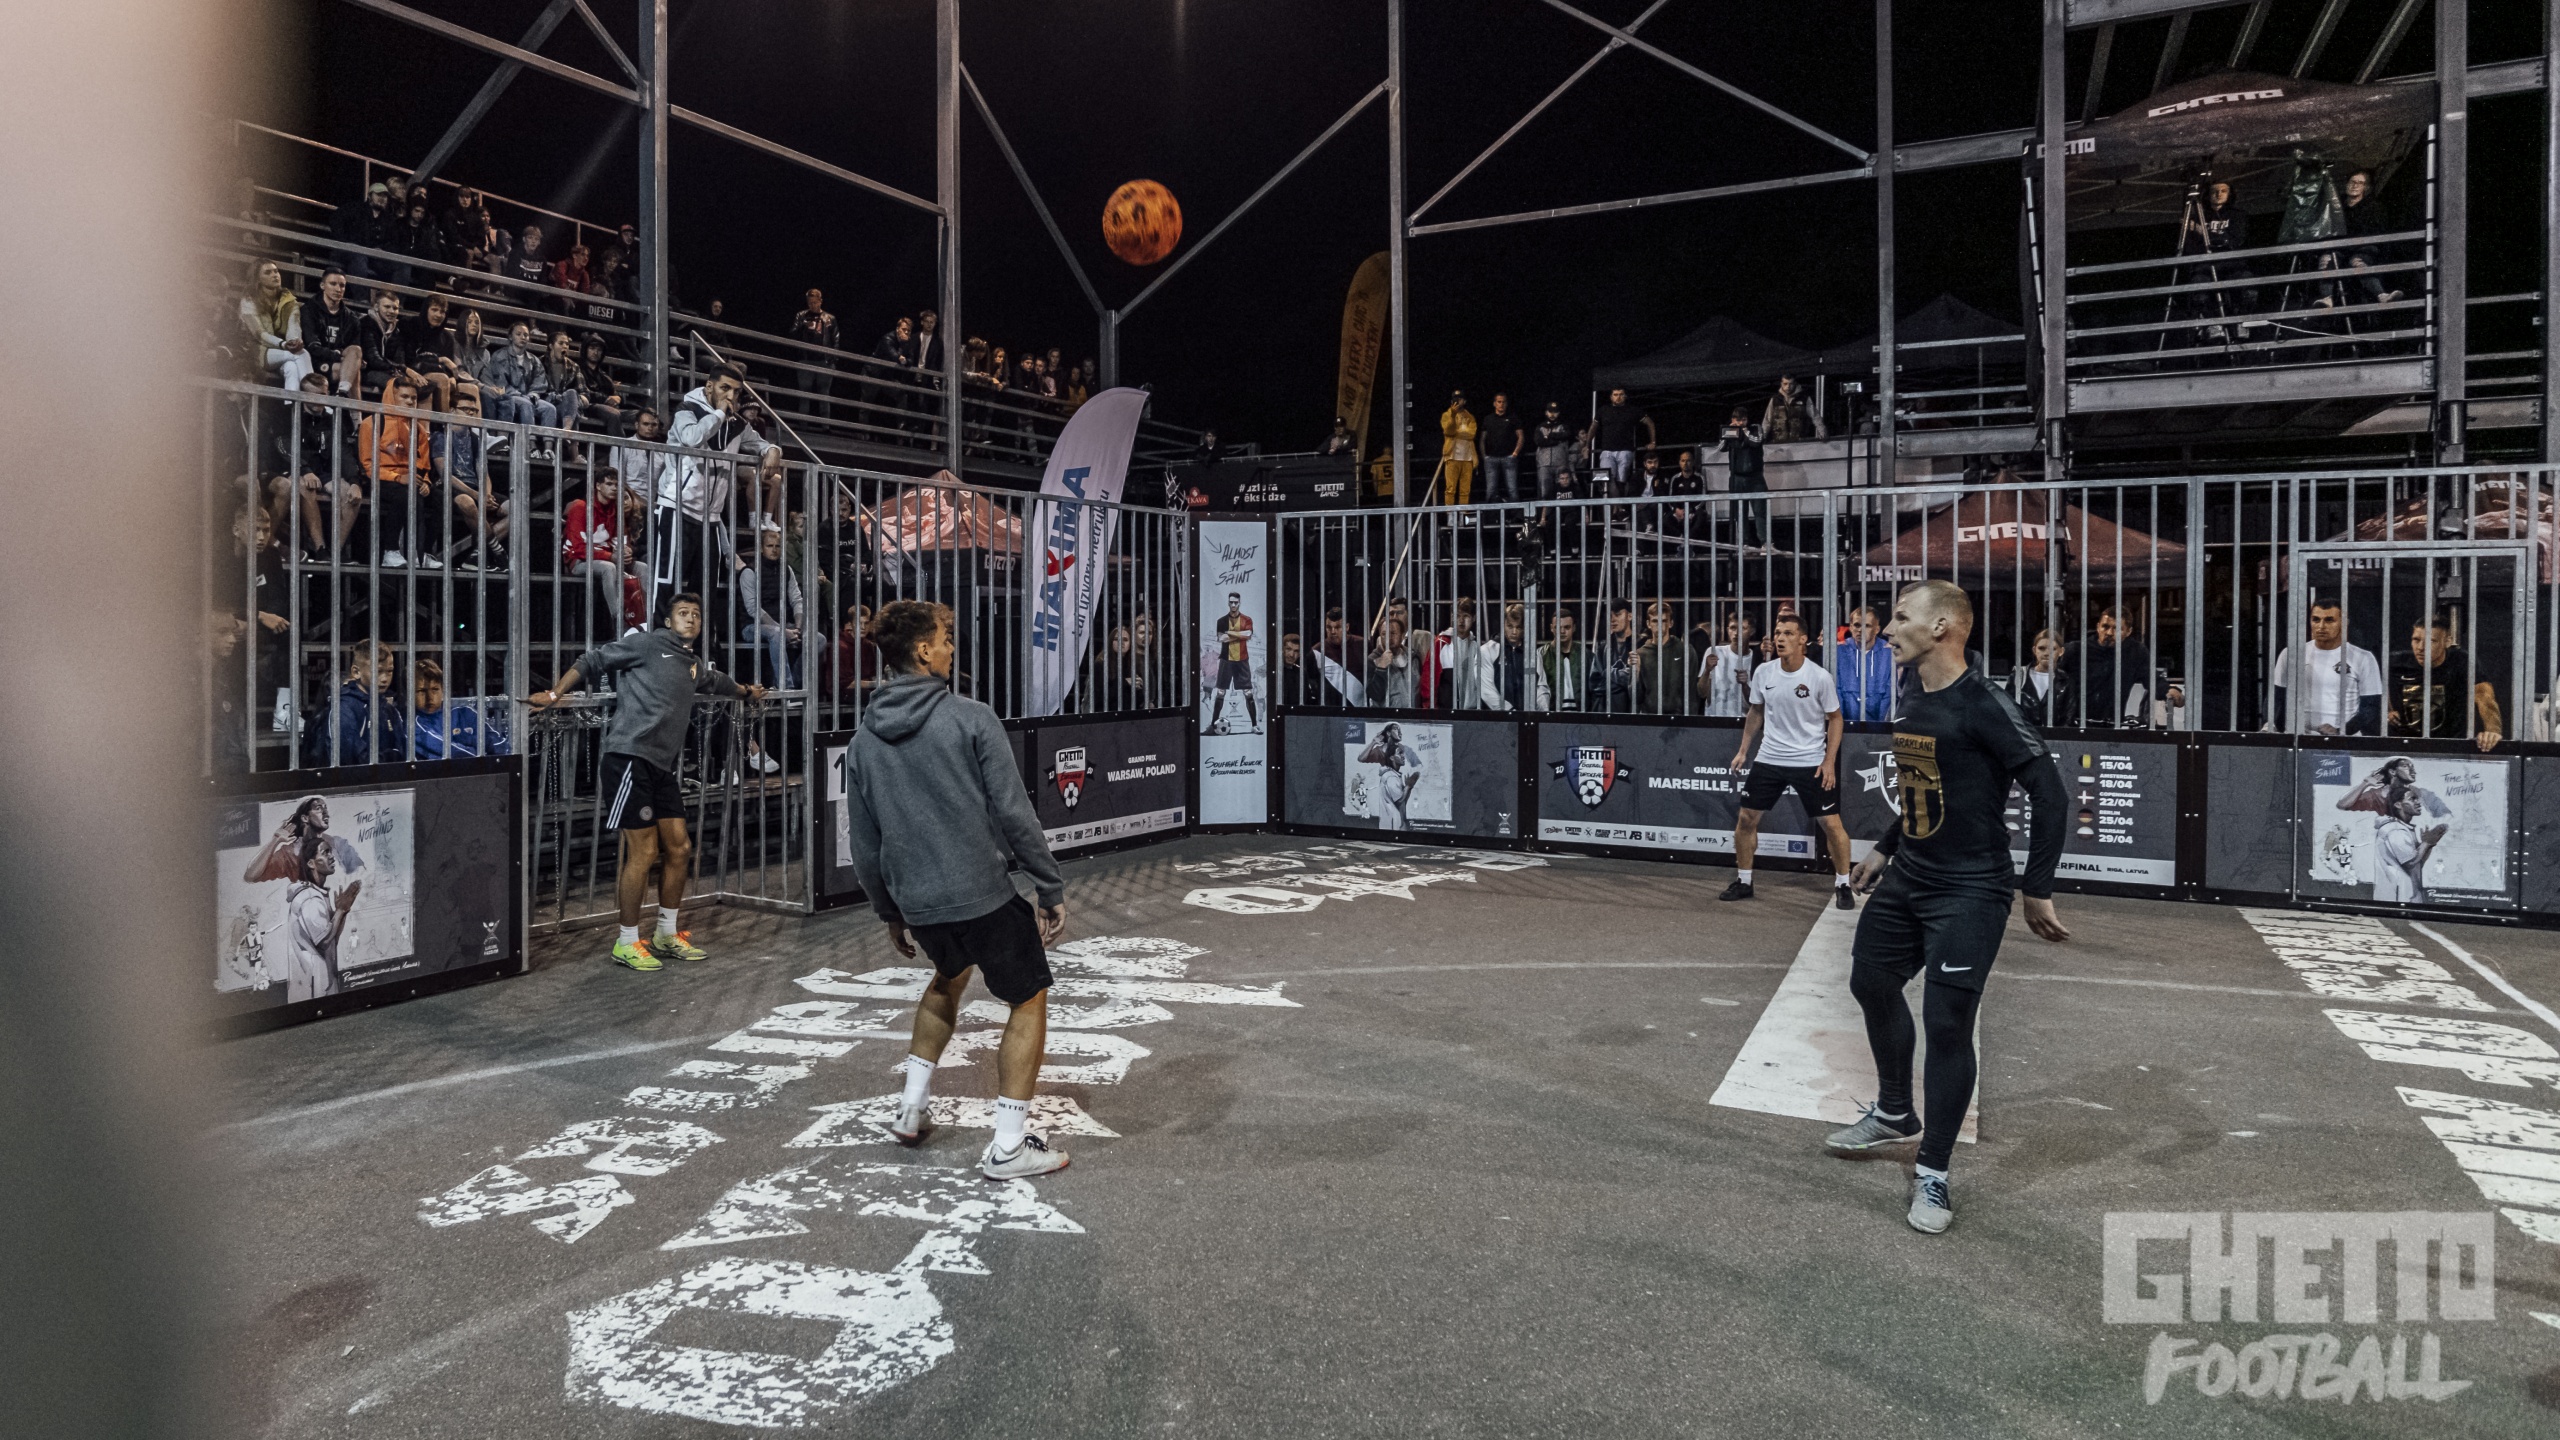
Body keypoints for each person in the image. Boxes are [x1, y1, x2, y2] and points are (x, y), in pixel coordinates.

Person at [1831, 581, 2070, 1236]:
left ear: (1941, 626)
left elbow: (2051, 795)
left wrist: (2036, 887)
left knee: (1946, 1023)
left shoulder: (1985, 702)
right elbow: (1921, 785)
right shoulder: (1913, 690)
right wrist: (1885, 848)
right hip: (1910, 874)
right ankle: (1894, 1112)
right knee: (1870, 981)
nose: (1886, 629)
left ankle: (1933, 1169)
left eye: (1899, 617)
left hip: (1970, 889)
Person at [844, 600, 1073, 1180]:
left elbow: (864, 844)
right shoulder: (970, 717)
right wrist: (1048, 885)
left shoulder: (863, 742)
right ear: (923, 651)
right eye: (944, 638)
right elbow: (1014, 813)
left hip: (920, 903)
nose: (950, 647)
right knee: (1028, 998)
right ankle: (1008, 1147)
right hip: (981, 894)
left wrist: (889, 911)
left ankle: (911, 1108)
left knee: (948, 977)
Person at [527, 592, 765, 970]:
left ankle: (666, 935)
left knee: (680, 848)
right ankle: (626, 942)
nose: (691, 619)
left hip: (660, 767)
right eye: (683, 613)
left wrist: (748, 692)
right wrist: (555, 694)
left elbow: (717, 682)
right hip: (628, 758)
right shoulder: (647, 644)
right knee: (644, 851)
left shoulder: (691, 663)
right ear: (668, 621)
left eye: (696, 614)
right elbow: (592, 660)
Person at [1723, 614, 1856, 907]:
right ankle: (1744, 881)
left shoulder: (1819, 677)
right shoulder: (1764, 672)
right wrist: (1743, 750)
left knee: (1831, 823)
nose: (1780, 638)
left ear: (1802, 640)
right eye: (1778, 633)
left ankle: (1843, 884)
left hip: (1809, 760)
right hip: (1770, 757)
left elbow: (1835, 719)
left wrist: (1829, 761)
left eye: (1788, 633)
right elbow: (1756, 711)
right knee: (1746, 819)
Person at [656, 362, 785, 623]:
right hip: (677, 507)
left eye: (736, 392)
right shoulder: (687, 410)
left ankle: (704, 645)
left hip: (711, 518)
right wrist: (717, 414)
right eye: (725, 388)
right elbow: (691, 438)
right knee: (667, 582)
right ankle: (660, 640)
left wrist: (773, 450)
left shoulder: (737, 424)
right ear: (709, 387)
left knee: (706, 589)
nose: (731, 396)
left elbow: (759, 443)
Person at [356, 374, 437, 569]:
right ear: (392, 396)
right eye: (404, 397)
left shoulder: (418, 429)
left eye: (414, 398)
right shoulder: (372, 423)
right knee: (404, 495)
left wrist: (426, 482)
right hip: (381, 478)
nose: (410, 402)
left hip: (411, 480)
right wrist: (398, 477)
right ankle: (390, 551)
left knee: (442, 500)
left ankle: (422, 553)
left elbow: (424, 463)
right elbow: (368, 465)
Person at [2272, 597, 2383, 736]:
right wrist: (2279, 728)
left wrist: (2340, 731)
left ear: (2344, 622)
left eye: (2329, 620)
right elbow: (2277, 698)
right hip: (2299, 739)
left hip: (2344, 741)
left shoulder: (2363, 658)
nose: (2321, 626)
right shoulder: (2290, 654)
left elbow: (2371, 707)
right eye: (2316, 620)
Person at [2389, 614, 2502, 750]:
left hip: (2451, 747)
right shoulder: (2396, 662)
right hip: (2405, 747)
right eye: (2416, 639)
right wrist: (2387, 711)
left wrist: (2493, 731)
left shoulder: (2461, 661)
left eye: (2431, 641)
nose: (2420, 647)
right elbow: (2378, 690)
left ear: (2447, 642)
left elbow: (2484, 696)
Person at [282, 828, 360, 1004]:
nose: (331, 857)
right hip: (314, 990)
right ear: (311, 863)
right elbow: (324, 941)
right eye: (325, 853)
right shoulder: (310, 898)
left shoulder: (317, 894)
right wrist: (340, 911)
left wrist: (342, 911)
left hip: (320, 984)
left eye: (330, 852)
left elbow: (332, 939)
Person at [306, 639, 406, 767]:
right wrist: (391, 757)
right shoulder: (343, 709)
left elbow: (404, 753)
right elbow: (349, 762)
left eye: (390, 671)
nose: (385, 678)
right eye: (378, 671)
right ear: (356, 672)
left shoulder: (388, 708)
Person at [563, 468, 638, 637]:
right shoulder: (580, 507)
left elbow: (621, 540)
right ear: (598, 486)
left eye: (617, 485)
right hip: (578, 561)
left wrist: (626, 552)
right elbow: (578, 548)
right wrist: (611, 556)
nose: (614, 488)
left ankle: (644, 621)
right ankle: (619, 624)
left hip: (609, 559)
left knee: (643, 568)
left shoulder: (616, 510)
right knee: (608, 568)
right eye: (609, 484)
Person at [734, 521, 806, 692]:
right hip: (751, 626)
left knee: (818, 639)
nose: (774, 549)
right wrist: (783, 630)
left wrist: (797, 628)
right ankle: (786, 689)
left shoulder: (786, 570)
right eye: (770, 546)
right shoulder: (749, 572)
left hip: (782, 626)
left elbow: (797, 600)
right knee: (776, 634)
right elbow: (753, 609)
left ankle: (795, 682)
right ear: (761, 548)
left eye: (778, 546)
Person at [411, 658, 511, 759]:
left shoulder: (465, 713)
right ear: (409, 694)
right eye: (421, 691)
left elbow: (502, 746)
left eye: (435, 689)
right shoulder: (413, 724)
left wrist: (470, 741)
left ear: (443, 690)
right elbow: (455, 755)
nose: (430, 697)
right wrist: (481, 749)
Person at [238, 260, 311, 391]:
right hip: (257, 352)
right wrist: (283, 344)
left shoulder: (288, 299)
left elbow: (293, 326)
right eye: (268, 272)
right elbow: (259, 334)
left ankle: (293, 403)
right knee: (301, 354)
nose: (275, 275)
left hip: (281, 350)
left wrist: (294, 341)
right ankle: (314, 395)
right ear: (258, 279)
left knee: (291, 368)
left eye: (276, 271)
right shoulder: (248, 301)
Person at [472, 319, 552, 430]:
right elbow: (501, 383)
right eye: (518, 334)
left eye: (526, 335)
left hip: (529, 397)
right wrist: (521, 396)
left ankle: (549, 441)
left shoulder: (534, 360)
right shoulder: (500, 356)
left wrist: (533, 395)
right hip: (509, 395)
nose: (523, 337)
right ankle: (529, 440)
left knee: (549, 409)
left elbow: (539, 381)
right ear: (510, 337)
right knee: (525, 404)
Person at [302, 269, 367, 397]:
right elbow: (312, 347)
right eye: (333, 284)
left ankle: (342, 392)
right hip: (315, 363)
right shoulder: (309, 310)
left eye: (342, 285)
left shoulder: (351, 318)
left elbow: (354, 351)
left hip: (339, 365)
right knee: (354, 370)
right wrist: (339, 356)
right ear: (322, 285)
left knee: (356, 351)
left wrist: (355, 360)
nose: (338, 289)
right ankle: (353, 408)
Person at [1712, 407, 1770, 551]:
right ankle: (1745, 544)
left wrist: (1743, 431)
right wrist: (1727, 433)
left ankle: (1765, 543)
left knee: (1760, 511)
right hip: (1737, 478)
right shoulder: (1730, 431)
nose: (1741, 422)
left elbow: (1757, 441)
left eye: (1744, 419)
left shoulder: (1755, 428)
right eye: (1738, 420)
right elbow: (1720, 448)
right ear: (1733, 420)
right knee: (1740, 513)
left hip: (1755, 477)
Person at [1631, 601, 1705, 715]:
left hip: (1678, 719)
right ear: (1648, 624)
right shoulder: (1641, 654)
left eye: (1664, 621)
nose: (1659, 625)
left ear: (1671, 623)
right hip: (1649, 718)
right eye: (1655, 621)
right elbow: (1635, 698)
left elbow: (1692, 693)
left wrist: (1690, 721)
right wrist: (1635, 673)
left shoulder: (1685, 651)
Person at [1207, 592, 1260, 734]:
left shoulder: (1247, 619)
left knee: (1248, 692)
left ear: (1239, 603)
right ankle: (1213, 725)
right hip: (1226, 660)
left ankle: (1254, 725)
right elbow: (1221, 638)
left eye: (1236, 602)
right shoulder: (1222, 620)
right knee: (1221, 691)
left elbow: (1248, 635)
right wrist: (1240, 635)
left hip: (1242, 660)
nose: (1233, 605)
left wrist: (1230, 633)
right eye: (1231, 602)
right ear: (1228, 603)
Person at [1584, 386, 1654, 494]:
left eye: (1621, 394)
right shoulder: (1603, 410)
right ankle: (1617, 503)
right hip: (1607, 450)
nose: (1618, 397)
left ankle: (1620, 503)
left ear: (1625, 396)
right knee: (1607, 479)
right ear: (1611, 397)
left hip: (1625, 450)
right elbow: (1593, 427)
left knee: (1621, 481)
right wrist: (1587, 445)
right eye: (1615, 395)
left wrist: (1653, 442)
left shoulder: (1632, 410)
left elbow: (1650, 423)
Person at [2007, 628, 2079, 728]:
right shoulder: (2018, 677)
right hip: (2024, 735)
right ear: (2034, 650)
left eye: (2053, 649)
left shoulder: (2066, 681)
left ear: (2061, 651)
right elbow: (2008, 711)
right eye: (2041, 648)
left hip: (2055, 736)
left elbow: (2068, 717)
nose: (2046, 653)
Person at [1358, 722, 1424, 830]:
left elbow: (1418, 766)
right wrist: (1373, 742)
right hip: (1393, 824)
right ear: (1388, 733)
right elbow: (1361, 758)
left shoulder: (1403, 749)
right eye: (1396, 729)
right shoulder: (1382, 756)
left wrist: (1409, 785)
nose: (1400, 732)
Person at [1838, 606, 1897, 723]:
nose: (1860, 630)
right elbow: (1836, 691)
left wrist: (1882, 726)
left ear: (1877, 629)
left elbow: (1889, 694)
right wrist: (1841, 725)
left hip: (1879, 725)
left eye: (1867, 626)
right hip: (1846, 725)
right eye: (1857, 625)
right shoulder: (1839, 651)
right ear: (1850, 627)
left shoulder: (1889, 653)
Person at [789, 287, 841, 420]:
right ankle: (803, 425)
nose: (812, 305)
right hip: (805, 359)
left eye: (815, 302)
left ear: (820, 301)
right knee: (804, 394)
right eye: (810, 303)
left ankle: (826, 426)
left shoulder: (830, 318)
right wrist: (803, 326)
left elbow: (836, 339)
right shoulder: (801, 316)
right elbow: (792, 334)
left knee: (824, 395)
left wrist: (833, 359)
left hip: (824, 361)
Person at [1701, 611, 1758, 718]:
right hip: (1713, 721)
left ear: (1752, 631)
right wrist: (1707, 671)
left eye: (1742, 628)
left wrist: (1745, 685)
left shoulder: (1756, 659)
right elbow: (1701, 693)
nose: (1736, 633)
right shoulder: (1714, 652)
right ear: (1727, 630)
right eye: (1733, 628)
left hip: (1743, 722)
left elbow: (1757, 705)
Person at [1533, 607, 1589, 712]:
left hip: (1582, 715)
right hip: (1552, 714)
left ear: (1574, 628)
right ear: (1551, 628)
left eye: (1567, 627)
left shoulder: (1587, 655)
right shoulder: (1540, 654)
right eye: (1558, 627)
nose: (1562, 631)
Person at [1593, 598, 1638, 712]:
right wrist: (1625, 681)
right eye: (1609, 616)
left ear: (1630, 616)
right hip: (1606, 713)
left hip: (1633, 713)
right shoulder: (1602, 648)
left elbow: (1640, 683)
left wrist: (1607, 673)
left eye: (1618, 615)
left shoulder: (1640, 645)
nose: (1612, 620)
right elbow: (1595, 684)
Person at [1479, 393, 1523, 506]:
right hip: (1491, 458)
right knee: (1491, 489)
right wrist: (1484, 456)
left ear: (1506, 404)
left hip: (1509, 457)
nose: (1501, 404)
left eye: (1503, 402)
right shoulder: (1488, 419)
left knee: (1512, 489)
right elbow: (1482, 439)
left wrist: (1515, 453)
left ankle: (1516, 514)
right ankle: (1490, 515)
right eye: (1499, 402)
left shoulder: (1513, 418)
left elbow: (1521, 436)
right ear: (1494, 403)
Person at [1437, 391, 1479, 507]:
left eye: (1460, 399)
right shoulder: (1447, 415)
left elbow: (1472, 434)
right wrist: (1453, 415)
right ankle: (1450, 514)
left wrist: (1456, 433)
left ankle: (1463, 513)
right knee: (1450, 489)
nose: (1458, 401)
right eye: (1455, 399)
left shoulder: (1470, 417)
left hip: (1468, 457)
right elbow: (1448, 431)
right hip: (1452, 456)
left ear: (1464, 401)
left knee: (1465, 490)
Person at [1761, 374, 1825, 442]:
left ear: (1795, 384)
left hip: (1800, 441)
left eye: (1791, 384)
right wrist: (1763, 436)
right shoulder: (1775, 400)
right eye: (1785, 384)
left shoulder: (1804, 399)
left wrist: (1822, 431)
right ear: (1781, 384)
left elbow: (1815, 416)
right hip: (1779, 441)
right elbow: (1767, 420)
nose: (1788, 386)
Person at [1532, 401, 1575, 501]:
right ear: (1546, 412)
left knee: (1562, 491)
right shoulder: (1540, 427)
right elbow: (1538, 441)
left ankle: (1562, 510)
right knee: (1544, 492)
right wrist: (1556, 440)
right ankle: (1545, 511)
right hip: (1544, 464)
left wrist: (1549, 436)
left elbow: (1567, 435)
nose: (1552, 414)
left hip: (1561, 463)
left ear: (1558, 413)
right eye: (1550, 411)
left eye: (1555, 412)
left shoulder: (1563, 426)